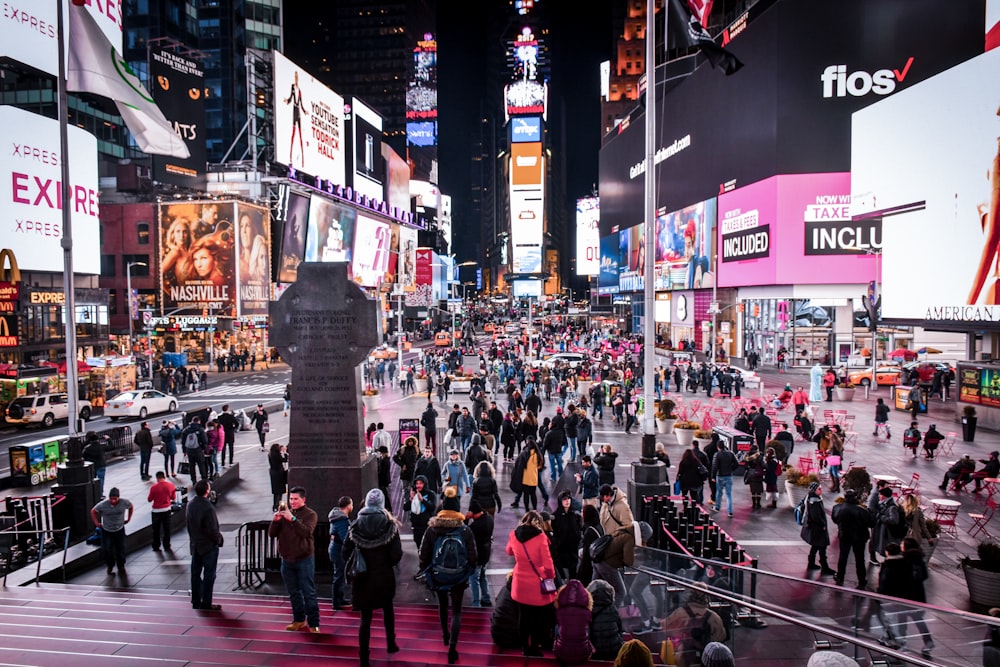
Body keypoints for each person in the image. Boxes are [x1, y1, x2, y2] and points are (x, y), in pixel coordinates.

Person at [343, 488, 403, 667]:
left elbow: (345, 552)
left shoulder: (355, 525)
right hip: (384, 577)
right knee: (388, 610)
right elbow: (396, 555)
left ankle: (364, 656)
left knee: (365, 619)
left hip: (362, 579)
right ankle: (391, 644)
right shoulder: (389, 525)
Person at [418, 486, 477, 665]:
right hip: (459, 575)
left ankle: (445, 634)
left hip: (439, 574)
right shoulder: (465, 530)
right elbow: (473, 555)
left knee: (443, 605)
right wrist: (468, 571)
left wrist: (427, 570)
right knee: (457, 611)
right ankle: (452, 647)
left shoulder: (432, 529)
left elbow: (423, 554)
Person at [268, 486, 320, 633]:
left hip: (304, 559)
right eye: (290, 499)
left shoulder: (311, 515)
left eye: (295, 499)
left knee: (308, 593)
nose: (292, 502)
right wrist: (276, 521)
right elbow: (272, 534)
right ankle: (299, 620)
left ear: (303, 500)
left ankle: (314, 624)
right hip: (287, 560)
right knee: (293, 593)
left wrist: (293, 519)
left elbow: (306, 532)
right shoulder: (284, 514)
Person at [505, 510, 558, 657]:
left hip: (519, 584)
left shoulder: (514, 534)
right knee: (536, 618)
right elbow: (548, 566)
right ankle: (534, 647)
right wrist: (550, 577)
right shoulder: (541, 538)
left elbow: (509, 551)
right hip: (536, 585)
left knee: (523, 616)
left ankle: (524, 647)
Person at [662, 585, 727, 667]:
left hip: (684, 657)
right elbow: (721, 636)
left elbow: (666, 627)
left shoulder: (680, 612)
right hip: (707, 658)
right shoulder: (714, 617)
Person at [186, 479, 223, 610]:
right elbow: (212, 529)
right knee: (209, 575)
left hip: (196, 545)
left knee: (195, 573)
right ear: (207, 491)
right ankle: (206, 602)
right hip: (208, 546)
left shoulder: (190, 504)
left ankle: (196, 600)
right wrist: (218, 540)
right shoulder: (207, 507)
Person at [831, 488, 875, 589]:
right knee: (860, 560)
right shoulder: (861, 510)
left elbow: (835, 519)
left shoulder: (837, 508)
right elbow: (871, 523)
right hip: (859, 538)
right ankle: (862, 580)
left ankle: (840, 577)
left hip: (844, 536)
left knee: (843, 557)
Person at [90, 487, 134, 576]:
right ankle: (110, 565)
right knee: (107, 549)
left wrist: (129, 518)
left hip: (119, 529)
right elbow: (93, 511)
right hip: (107, 530)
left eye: (115, 499)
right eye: (111, 499)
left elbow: (131, 506)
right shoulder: (103, 505)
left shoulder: (124, 502)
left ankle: (121, 565)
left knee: (120, 548)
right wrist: (96, 523)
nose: (113, 501)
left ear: (118, 497)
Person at [553, 579, 594, 665]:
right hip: (583, 654)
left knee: (558, 626)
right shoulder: (587, 613)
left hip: (561, 653)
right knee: (585, 626)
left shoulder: (560, 611)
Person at [801, 482, 836, 575]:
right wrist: (823, 524)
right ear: (814, 490)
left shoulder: (813, 498)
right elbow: (816, 516)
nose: (821, 490)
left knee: (816, 546)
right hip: (818, 529)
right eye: (819, 489)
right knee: (821, 546)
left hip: (815, 528)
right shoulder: (814, 501)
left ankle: (812, 564)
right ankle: (824, 567)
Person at [466, 499, 495, 607]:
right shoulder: (490, 519)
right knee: (483, 576)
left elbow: (465, 532)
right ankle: (486, 598)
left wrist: (466, 519)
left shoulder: (475, 526)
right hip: (486, 554)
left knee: (474, 580)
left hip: (477, 555)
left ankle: (476, 604)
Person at [587, 579, 624, 660]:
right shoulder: (612, 609)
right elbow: (620, 629)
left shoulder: (589, 610)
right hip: (614, 650)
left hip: (596, 652)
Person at [328, 495, 353, 610]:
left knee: (340, 575)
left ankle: (340, 599)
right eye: (351, 504)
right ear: (348, 506)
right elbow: (345, 539)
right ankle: (337, 602)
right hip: (339, 551)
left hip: (334, 549)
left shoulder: (336, 517)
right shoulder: (342, 521)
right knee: (339, 576)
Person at [551, 490, 582, 581]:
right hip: (561, 550)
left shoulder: (575, 515)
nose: (567, 501)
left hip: (573, 550)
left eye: (568, 498)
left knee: (573, 574)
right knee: (562, 575)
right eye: (564, 499)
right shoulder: (555, 517)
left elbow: (578, 529)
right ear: (560, 501)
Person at [147, 471, 177, 552]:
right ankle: (167, 545)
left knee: (156, 530)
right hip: (166, 510)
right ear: (164, 477)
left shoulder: (153, 487)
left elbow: (149, 499)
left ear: (157, 478)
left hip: (156, 511)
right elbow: (173, 498)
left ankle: (156, 546)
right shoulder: (171, 486)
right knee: (166, 529)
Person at [711, 441, 739, 517]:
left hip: (720, 476)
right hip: (729, 476)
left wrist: (713, 477)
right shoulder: (731, 453)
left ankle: (717, 507)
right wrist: (731, 469)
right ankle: (730, 511)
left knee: (719, 493)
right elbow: (737, 463)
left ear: (718, 447)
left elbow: (714, 467)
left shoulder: (717, 454)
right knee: (728, 494)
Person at [409, 475, 437, 548]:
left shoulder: (431, 494)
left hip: (427, 525)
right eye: (417, 483)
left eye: (421, 483)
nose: (418, 485)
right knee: (419, 545)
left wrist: (422, 500)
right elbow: (405, 508)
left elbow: (433, 507)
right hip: (416, 526)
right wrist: (411, 500)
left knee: (428, 545)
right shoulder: (414, 494)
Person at [180, 416, 208, 484]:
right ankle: (204, 479)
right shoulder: (200, 429)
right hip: (198, 450)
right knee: (201, 465)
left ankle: (193, 480)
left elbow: (183, 442)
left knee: (192, 466)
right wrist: (204, 448)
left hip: (189, 450)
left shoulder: (186, 430)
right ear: (198, 421)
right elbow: (205, 440)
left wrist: (184, 451)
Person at [82, 431, 108, 497]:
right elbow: (111, 446)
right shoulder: (101, 446)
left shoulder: (87, 448)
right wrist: (108, 439)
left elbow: (83, 455)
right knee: (101, 480)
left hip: (92, 466)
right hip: (101, 465)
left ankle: (93, 494)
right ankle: (100, 494)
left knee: (92, 480)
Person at [268, 443, 288, 512]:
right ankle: (278, 505)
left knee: (276, 491)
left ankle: (275, 505)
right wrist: (284, 452)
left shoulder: (270, 455)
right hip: (279, 474)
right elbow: (285, 460)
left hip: (273, 473)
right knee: (280, 491)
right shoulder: (277, 455)